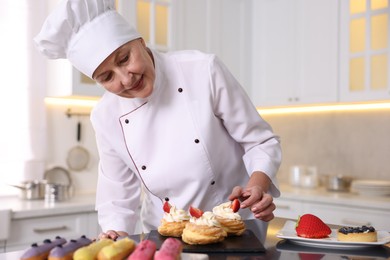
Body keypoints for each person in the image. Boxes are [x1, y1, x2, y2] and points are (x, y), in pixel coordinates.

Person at [34, 0, 282, 243]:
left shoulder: (202, 70)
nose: (126, 79)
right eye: (107, 77)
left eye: (124, 59)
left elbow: (259, 141)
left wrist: (256, 187)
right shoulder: (105, 115)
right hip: (166, 236)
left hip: (235, 227)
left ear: (140, 42)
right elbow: (117, 194)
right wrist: (115, 233)